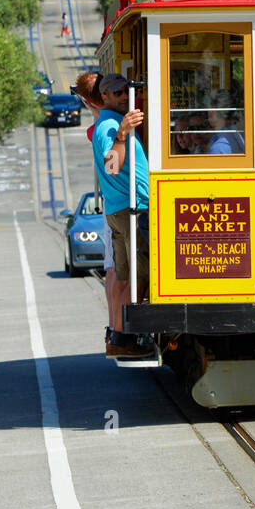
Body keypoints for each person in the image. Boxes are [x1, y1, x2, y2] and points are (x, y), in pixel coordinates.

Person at [91, 73, 150, 357]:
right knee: (139, 276)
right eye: (118, 93)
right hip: (130, 208)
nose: (125, 96)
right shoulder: (110, 126)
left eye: (127, 91)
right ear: (105, 97)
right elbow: (112, 166)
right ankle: (125, 338)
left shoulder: (109, 120)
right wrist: (123, 132)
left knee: (127, 277)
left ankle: (118, 337)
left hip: (120, 208)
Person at [73, 71, 129, 356]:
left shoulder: (98, 126)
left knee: (114, 270)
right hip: (120, 203)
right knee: (119, 271)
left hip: (113, 203)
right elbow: (111, 166)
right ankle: (117, 331)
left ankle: (114, 329)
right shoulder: (107, 126)